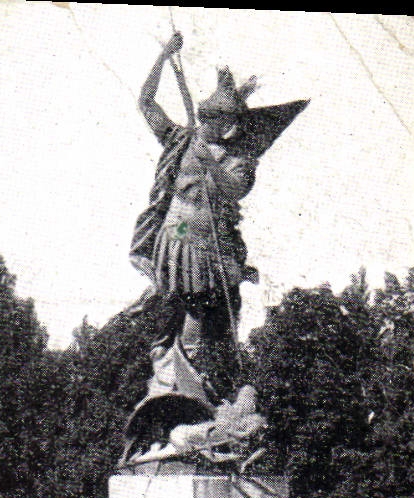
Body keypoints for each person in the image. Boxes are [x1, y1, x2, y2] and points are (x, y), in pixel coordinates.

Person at [123, 31, 305, 456]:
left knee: (213, 326)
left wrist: (211, 164)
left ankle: (204, 405)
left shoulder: (240, 160)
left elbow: (234, 190)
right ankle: (178, 400)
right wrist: (163, 57)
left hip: (214, 251)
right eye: (206, 118)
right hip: (178, 239)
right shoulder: (181, 141)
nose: (210, 126)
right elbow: (146, 104)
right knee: (180, 321)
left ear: (233, 124)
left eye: (219, 121)